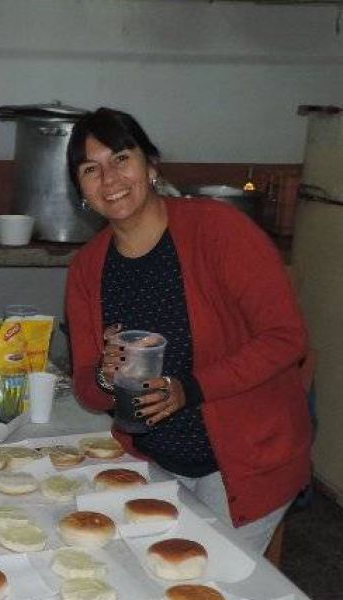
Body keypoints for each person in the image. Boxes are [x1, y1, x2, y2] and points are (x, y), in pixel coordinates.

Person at [64, 107, 312, 553]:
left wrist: (190, 388)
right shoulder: (88, 268)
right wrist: (106, 373)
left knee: (211, 578)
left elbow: (285, 337)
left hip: (242, 461)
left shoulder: (219, 230)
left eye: (121, 158)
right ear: (81, 191)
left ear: (151, 165)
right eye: (90, 169)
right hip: (153, 459)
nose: (110, 179)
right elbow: (88, 386)